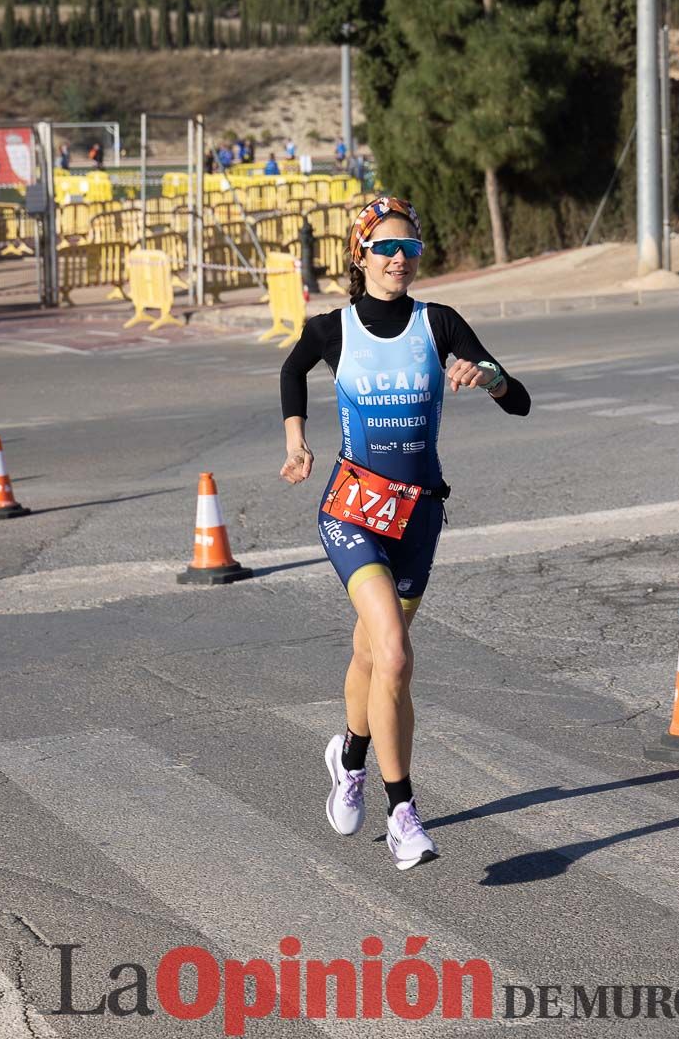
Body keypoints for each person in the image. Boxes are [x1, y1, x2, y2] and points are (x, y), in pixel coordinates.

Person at [279, 195, 530, 869]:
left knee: (372, 655)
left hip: (418, 519)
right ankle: (403, 814)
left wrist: (490, 376)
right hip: (353, 512)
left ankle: (349, 756)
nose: (399, 259)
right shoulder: (333, 329)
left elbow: (519, 396)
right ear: (359, 256)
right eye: (386, 248)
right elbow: (291, 369)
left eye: (410, 250)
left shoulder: (438, 323)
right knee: (393, 656)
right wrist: (297, 441)